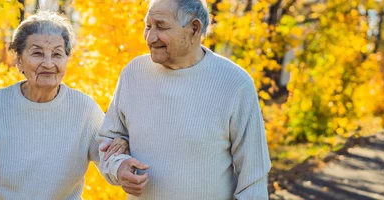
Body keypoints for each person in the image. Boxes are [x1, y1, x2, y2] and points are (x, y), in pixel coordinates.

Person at [99, 0, 271, 199]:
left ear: (194, 29)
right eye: (147, 26)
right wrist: (118, 167)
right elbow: (108, 141)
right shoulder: (133, 74)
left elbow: (253, 180)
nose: (150, 37)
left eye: (161, 26)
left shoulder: (235, 84)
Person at [0, 11, 128, 199]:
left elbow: (111, 157)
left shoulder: (84, 110)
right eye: (37, 53)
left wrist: (124, 156)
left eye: (57, 54)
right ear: (19, 60)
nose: (48, 63)